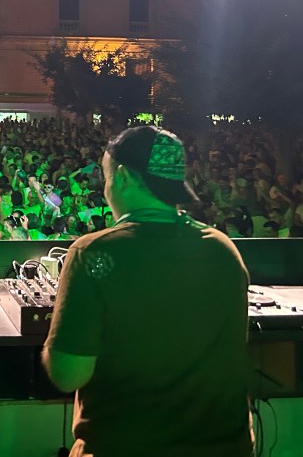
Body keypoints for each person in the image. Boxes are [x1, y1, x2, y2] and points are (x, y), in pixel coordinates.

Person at [41, 125, 252, 457]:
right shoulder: (223, 249)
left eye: (106, 177)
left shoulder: (93, 252)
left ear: (123, 176)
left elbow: (68, 374)